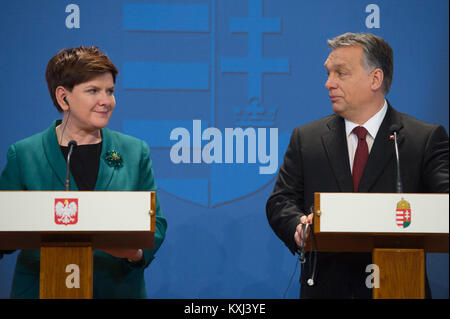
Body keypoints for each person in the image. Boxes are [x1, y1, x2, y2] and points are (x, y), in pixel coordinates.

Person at [266, 33, 449, 298]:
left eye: (341, 73)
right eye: (328, 73)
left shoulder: (424, 138)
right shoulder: (307, 139)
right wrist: (297, 226)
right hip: (326, 288)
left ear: (375, 79)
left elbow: (445, 204)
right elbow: (280, 200)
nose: (329, 83)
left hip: (398, 283)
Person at [0, 46, 167, 298]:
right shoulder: (24, 154)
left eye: (110, 91)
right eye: (93, 91)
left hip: (115, 288)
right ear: (63, 97)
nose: (106, 101)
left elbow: (156, 224)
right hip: (42, 289)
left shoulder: (135, 151)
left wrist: (135, 253)